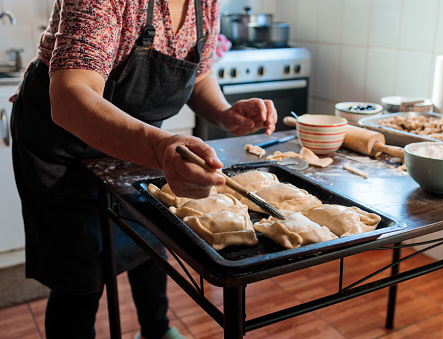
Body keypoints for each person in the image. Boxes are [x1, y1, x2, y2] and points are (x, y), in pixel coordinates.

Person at [10, 0, 277, 339]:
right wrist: (158, 147)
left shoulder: (206, 3)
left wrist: (224, 114)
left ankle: (156, 331)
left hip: (137, 144)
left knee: (150, 243)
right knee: (79, 276)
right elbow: (70, 96)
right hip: (63, 149)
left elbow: (199, 74)